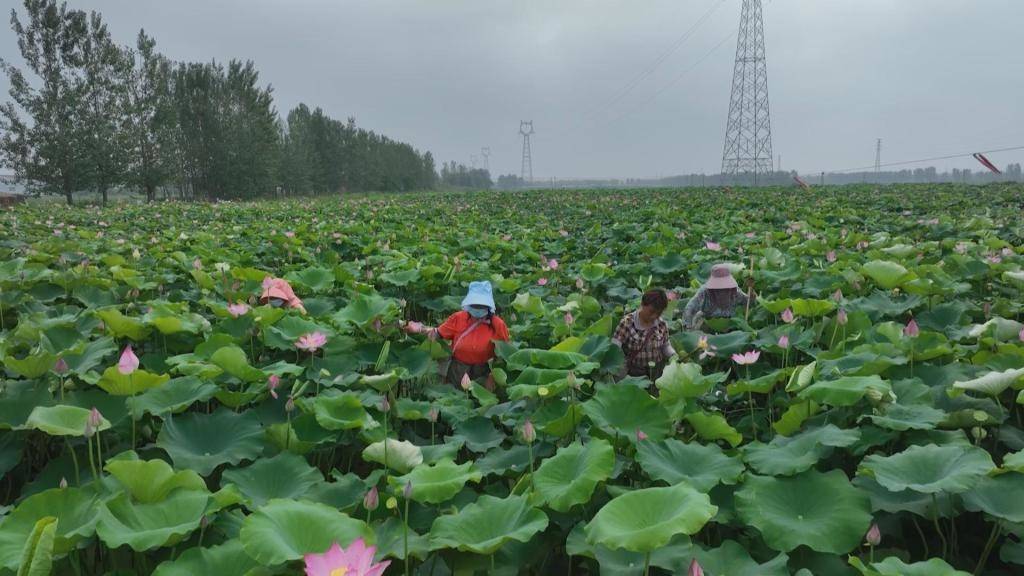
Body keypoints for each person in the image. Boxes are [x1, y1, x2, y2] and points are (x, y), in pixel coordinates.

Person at [403, 281, 509, 389]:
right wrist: (420, 328)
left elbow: (504, 355)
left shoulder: (498, 325)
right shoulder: (458, 318)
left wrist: (492, 376)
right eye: (475, 304)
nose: (477, 308)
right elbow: (438, 333)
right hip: (458, 370)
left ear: (488, 306)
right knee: (454, 397)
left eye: (481, 305)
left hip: (483, 373)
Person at [613, 289, 677, 380]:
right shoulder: (627, 322)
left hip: (657, 371)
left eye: (658, 313)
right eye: (651, 311)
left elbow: (665, 345)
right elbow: (615, 348)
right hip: (635, 373)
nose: (654, 316)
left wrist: (673, 355)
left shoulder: (661, 324)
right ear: (642, 304)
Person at [682, 264, 750, 330]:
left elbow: (748, 302)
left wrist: (751, 292)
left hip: (730, 326)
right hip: (707, 324)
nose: (722, 291)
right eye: (719, 288)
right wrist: (688, 326)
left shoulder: (734, 291)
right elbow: (689, 308)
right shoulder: (704, 292)